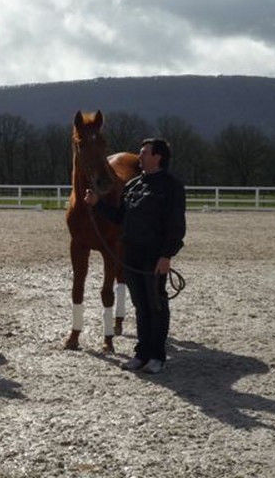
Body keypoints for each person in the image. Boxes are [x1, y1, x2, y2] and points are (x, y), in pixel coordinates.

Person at [84, 137, 186, 375]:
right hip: (131, 253)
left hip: (154, 255)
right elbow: (120, 217)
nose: (139, 157)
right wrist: (97, 203)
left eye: (144, 153)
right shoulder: (133, 185)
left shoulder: (171, 187)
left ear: (157, 157)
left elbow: (176, 225)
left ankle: (157, 355)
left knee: (156, 304)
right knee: (141, 305)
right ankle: (142, 353)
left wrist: (166, 255)